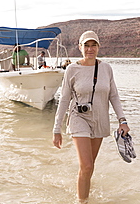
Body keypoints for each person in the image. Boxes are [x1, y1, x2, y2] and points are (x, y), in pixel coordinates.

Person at [52, 31, 130, 203]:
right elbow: (64, 100)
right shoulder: (72, 69)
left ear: (98, 47)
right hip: (78, 117)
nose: (90, 49)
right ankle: (82, 201)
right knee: (87, 165)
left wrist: (122, 120)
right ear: (80, 47)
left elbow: (114, 96)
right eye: (86, 45)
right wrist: (56, 129)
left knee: (89, 166)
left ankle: (84, 188)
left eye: (93, 45)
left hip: (100, 119)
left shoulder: (106, 68)